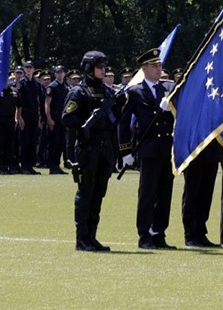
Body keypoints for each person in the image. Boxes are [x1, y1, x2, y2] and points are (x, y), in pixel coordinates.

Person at [63, 50, 122, 252]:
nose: (103, 70)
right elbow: (67, 118)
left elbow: (116, 119)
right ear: (89, 68)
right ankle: (82, 238)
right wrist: (88, 123)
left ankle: (92, 236)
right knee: (86, 193)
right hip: (88, 149)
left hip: (105, 150)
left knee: (99, 194)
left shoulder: (107, 92)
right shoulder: (79, 92)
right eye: (99, 67)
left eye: (104, 67)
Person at [120, 48, 176, 250]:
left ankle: (159, 233)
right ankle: (144, 234)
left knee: (165, 193)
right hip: (148, 148)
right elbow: (124, 122)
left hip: (165, 149)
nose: (158, 69)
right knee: (147, 193)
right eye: (154, 66)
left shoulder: (167, 90)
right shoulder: (135, 92)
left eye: (160, 65)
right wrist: (126, 151)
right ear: (144, 68)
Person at [181, 141, 222, 247]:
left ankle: (200, 231)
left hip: (212, 149)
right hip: (194, 150)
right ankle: (190, 234)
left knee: (206, 195)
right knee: (192, 193)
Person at [15, 60, 44, 174]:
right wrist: (19, 117)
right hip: (24, 113)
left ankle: (30, 165)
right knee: (24, 141)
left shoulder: (37, 84)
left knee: (33, 141)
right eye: (26, 67)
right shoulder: (21, 83)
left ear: (33, 69)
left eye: (30, 67)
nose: (28, 69)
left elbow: (40, 101)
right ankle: (24, 165)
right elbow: (18, 101)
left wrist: (41, 118)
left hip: (34, 114)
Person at [44, 65, 68, 175]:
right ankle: (52, 166)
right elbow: (47, 104)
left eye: (61, 72)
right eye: (57, 72)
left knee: (61, 143)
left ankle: (57, 165)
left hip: (62, 118)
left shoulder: (66, 87)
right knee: (53, 143)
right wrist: (49, 119)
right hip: (54, 117)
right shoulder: (52, 87)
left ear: (64, 73)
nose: (59, 74)